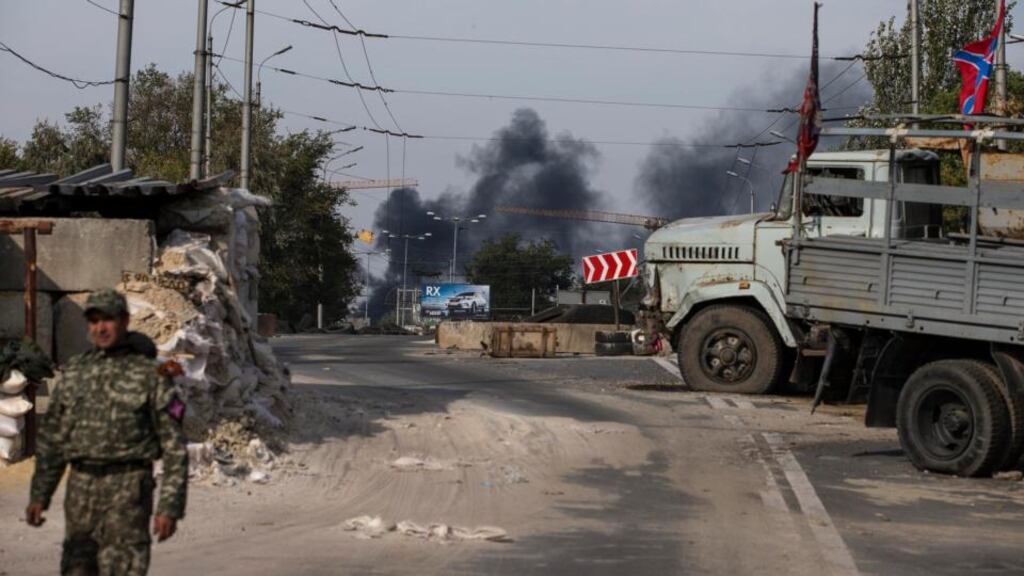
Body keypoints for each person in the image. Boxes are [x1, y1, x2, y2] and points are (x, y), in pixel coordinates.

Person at [25, 288, 188, 576]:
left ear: (124, 321)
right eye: (94, 320)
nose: (101, 328)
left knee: (124, 568)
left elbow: (174, 446)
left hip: (129, 490)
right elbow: (53, 439)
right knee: (76, 568)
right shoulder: (75, 372)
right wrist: (40, 494)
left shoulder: (152, 376)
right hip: (81, 489)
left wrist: (170, 506)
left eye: (108, 320)